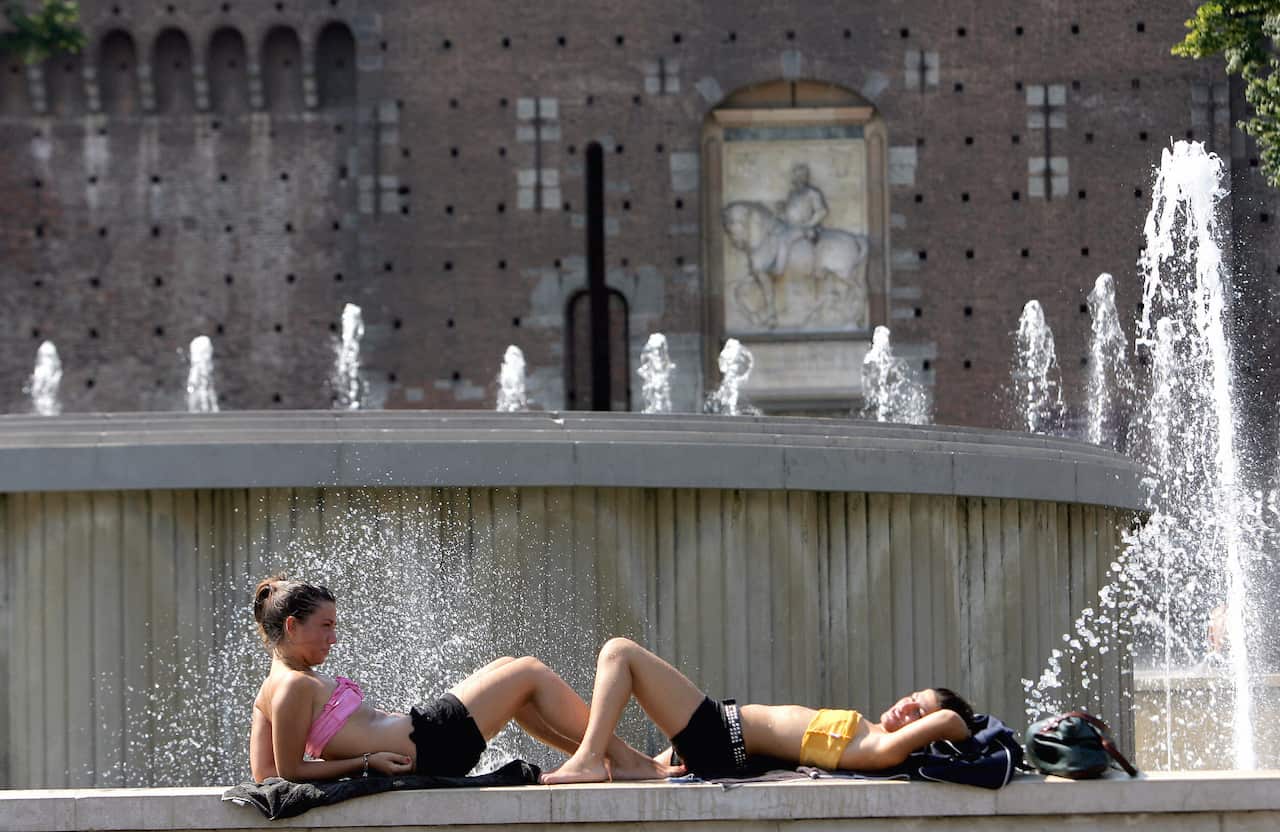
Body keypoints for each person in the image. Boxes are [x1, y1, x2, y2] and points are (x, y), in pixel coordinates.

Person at [249, 577, 681, 783]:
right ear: (291, 625)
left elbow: (263, 774)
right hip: (428, 743)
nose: (334, 637)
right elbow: (287, 770)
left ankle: (607, 760)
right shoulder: (292, 686)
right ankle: (622, 761)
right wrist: (367, 764)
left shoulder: (273, 689)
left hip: (425, 737)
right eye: (325, 626)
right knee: (528, 671)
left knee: (512, 671)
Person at [541, 637, 975, 784]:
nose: (908, 705)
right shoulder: (867, 728)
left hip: (722, 736)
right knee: (540, 694)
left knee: (620, 653)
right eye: (913, 696)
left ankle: (588, 760)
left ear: (926, 732)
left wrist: (970, 729)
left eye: (919, 710)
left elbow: (954, 721)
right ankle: (601, 756)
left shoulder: (885, 748)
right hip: (723, 736)